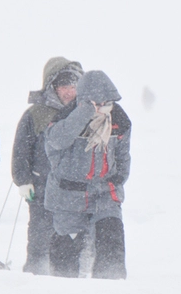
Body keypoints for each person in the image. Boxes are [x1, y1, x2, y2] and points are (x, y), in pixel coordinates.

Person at [44, 70, 131, 279]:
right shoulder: (65, 118)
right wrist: (82, 114)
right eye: (95, 103)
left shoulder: (119, 119)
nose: (101, 107)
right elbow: (57, 141)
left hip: (104, 193)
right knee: (66, 253)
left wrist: (119, 178)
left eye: (105, 102)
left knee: (111, 241)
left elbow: (123, 154)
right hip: (68, 196)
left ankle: (112, 288)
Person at [12, 57, 83, 276]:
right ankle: (35, 275)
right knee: (40, 235)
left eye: (74, 86)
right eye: (64, 86)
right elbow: (21, 151)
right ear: (52, 86)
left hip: (74, 191)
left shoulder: (84, 114)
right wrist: (23, 181)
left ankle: (70, 278)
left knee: (73, 238)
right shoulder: (35, 115)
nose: (69, 92)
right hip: (42, 187)